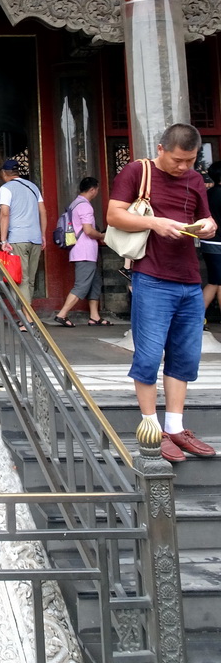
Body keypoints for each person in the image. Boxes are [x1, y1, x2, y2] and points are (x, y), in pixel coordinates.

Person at [107, 123, 217, 462]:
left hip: (188, 278)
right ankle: (150, 427)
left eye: (191, 160)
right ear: (160, 149)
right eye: (177, 160)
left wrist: (209, 225)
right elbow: (113, 214)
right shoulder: (137, 171)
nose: (184, 167)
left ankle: (175, 426)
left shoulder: (195, 180)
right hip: (152, 277)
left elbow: (206, 217)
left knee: (185, 357)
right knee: (149, 355)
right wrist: (155, 223)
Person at [53, 177, 112, 328]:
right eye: (97, 189)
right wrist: (102, 236)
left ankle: (94, 316)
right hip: (85, 251)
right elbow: (88, 230)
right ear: (92, 189)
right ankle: (62, 314)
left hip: (81, 250)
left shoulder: (74, 203)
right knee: (82, 285)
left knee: (95, 283)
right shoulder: (85, 206)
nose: (97, 192)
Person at [0, 158, 46, 311]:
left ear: (5, 173)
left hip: (18, 238)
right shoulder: (33, 187)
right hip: (36, 239)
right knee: (30, 280)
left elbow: (5, 214)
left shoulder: (6, 188)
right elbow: (43, 211)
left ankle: (28, 320)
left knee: (21, 280)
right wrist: (43, 235)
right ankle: (27, 317)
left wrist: (3, 240)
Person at [200, 161, 221, 325]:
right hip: (218, 243)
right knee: (216, 282)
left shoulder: (208, 194)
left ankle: (196, 318)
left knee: (216, 281)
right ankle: (195, 317)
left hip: (208, 242)